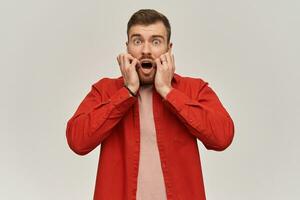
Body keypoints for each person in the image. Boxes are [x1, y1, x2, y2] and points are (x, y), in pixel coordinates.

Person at [66, 9, 234, 200]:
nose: (146, 50)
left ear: (168, 49)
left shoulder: (194, 89)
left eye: (156, 42)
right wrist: (127, 92)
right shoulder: (104, 91)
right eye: (137, 41)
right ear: (127, 47)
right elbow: (77, 141)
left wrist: (168, 92)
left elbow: (222, 137)